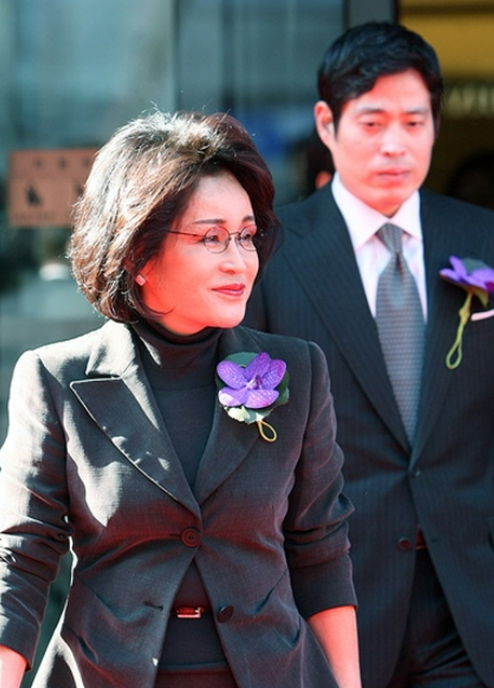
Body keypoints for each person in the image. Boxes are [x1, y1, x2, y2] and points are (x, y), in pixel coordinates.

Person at [0, 110, 361, 688]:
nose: (239, 260)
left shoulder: (299, 370)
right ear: (138, 254)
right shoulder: (56, 379)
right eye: (211, 238)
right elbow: (21, 558)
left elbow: (320, 551)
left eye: (246, 235)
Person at [244, 21, 494, 688]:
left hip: (470, 601)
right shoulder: (271, 253)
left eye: (414, 122)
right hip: (333, 598)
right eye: (374, 122)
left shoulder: (483, 239)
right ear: (327, 124)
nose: (395, 144)